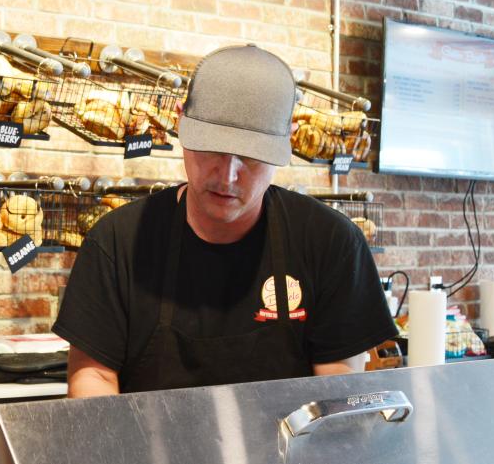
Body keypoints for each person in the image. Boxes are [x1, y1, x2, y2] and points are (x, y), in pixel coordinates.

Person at [53, 45, 397, 397]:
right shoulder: (117, 243)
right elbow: (92, 381)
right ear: (179, 121)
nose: (228, 175)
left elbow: (338, 396)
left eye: (250, 155)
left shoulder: (332, 243)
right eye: (212, 147)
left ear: (288, 139)